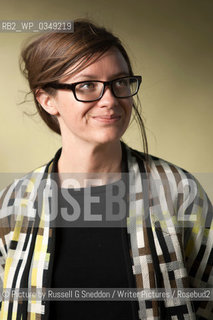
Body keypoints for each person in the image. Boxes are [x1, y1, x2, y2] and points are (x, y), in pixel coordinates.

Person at [0, 19, 212, 320]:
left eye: (120, 82)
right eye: (87, 85)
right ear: (47, 100)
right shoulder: (12, 205)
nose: (110, 100)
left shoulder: (179, 192)